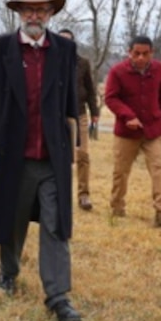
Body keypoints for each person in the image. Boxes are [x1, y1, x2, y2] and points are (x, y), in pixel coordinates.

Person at [0, 0, 81, 321]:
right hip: (12, 154)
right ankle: (8, 272)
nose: (35, 15)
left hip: (52, 155)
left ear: (51, 13)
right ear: (19, 13)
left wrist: (72, 146)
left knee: (55, 224)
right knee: (13, 220)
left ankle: (58, 295)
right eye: (28, 9)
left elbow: (68, 105)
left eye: (41, 9)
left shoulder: (65, 52)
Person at [104, 36, 161, 227]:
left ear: (151, 53)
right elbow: (110, 98)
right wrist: (128, 116)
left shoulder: (158, 69)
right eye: (137, 53)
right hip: (127, 132)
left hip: (153, 129)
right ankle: (117, 207)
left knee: (158, 169)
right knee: (121, 172)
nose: (141, 58)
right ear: (129, 52)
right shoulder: (117, 71)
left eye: (145, 54)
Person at [58, 29, 99, 210]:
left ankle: (84, 195)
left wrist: (95, 111)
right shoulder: (50, 62)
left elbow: (90, 89)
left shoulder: (83, 63)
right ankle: (58, 194)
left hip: (79, 114)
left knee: (82, 155)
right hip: (56, 115)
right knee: (59, 157)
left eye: (68, 41)